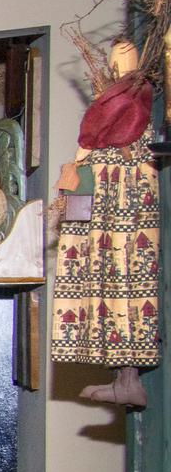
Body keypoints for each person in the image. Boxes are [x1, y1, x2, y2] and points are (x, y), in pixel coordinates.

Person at [52, 39, 159, 408]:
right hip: (114, 189)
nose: (113, 69)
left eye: (119, 61)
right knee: (109, 281)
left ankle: (128, 379)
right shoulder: (135, 98)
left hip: (122, 193)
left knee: (121, 277)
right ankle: (125, 379)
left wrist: (77, 163)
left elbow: (95, 134)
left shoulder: (127, 98)